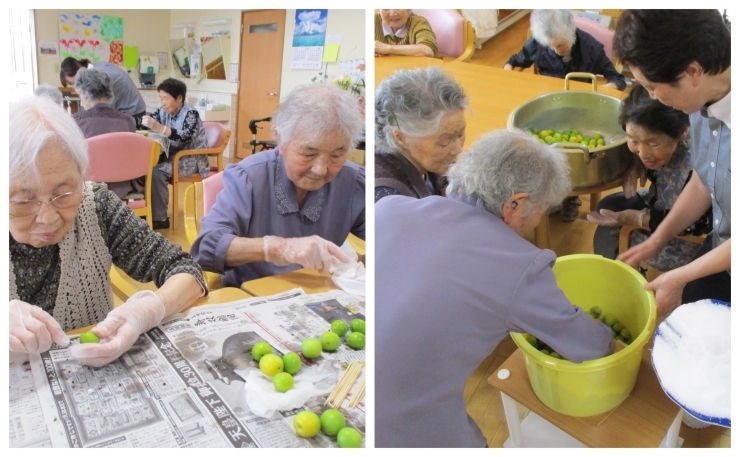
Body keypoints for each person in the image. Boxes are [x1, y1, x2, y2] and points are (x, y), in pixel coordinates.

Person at [375, 129, 614, 448]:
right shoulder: (520, 266)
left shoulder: (389, 209)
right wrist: (612, 339)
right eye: (543, 208)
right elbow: (590, 347)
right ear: (515, 204)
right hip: (401, 429)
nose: (539, 218)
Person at [9, 96, 206, 367]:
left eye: (64, 194)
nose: (47, 218)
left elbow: (186, 270)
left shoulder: (95, 206)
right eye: (23, 201)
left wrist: (146, 311)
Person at [613, 10, 730, 315]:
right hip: (723, 247)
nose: (653, 96)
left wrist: (681, 275)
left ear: (692, 72)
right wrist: (658, 238)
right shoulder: (700, 98)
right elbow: (705, 180)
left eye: (652, 87)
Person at [190, 84, 365, 287]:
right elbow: (206, 248)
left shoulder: (353, 182)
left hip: (317, 295)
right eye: (309, 154)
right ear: (280, 140)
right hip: (252, 297)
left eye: (336, 155)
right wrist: (277, 248)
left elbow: (389, 238)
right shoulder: (249, 178)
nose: (321, 169)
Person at [504, 9, 627, 222]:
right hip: (549, 110)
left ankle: (571, 197)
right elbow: (515, 61)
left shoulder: (590, 48)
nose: (557, 50)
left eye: (561, 45)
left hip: (580, 113)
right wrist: (506, 71)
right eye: (552, 46)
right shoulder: (539, 42)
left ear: (572, 32)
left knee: (574, 161)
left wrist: (600, 91)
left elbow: (618, 79)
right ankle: (550, 194)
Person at [588, 85, 712, 270]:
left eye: (652, 143)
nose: (643, 153)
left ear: (682, 131)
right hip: (659, 203)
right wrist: (635, 164)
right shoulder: (671, 137)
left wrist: (638, 219)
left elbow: (695, 223)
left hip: (683, 240)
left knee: (605, 237)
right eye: (633, 140)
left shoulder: (695, 165)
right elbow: (641, 146)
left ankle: (630, 280)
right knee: (607, 206)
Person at [375, 66, 467, 202]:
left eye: (460, 135)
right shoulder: (389, 198)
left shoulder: (424, 158)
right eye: (444, 143)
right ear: (402, 138)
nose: (458, 149)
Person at [142, 78, 209, 230]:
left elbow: (185, 137)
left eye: (166, 98)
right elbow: (147, 121)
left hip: (191, 158)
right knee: (145, 167)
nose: (163, 102)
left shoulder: (190, 113)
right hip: (172, 155)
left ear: (179, 98)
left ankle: (160, 219)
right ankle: (148, 212)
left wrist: (159, 128)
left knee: (157, 172)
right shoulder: (164, 110)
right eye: (161, 98)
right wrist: (143, 121)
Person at [60, 57, 147, 127]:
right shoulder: (94, 70)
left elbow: (99, 109)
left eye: (74, 82)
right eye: (72, 84)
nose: (75, 86)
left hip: (133, 113)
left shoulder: (99, 75)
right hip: (127, 112)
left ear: (80, 72)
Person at [374, 9, 441, 58]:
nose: (392, 13)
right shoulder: (373, 20)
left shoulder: (418, 22)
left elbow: (427, 51)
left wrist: (388, 49)